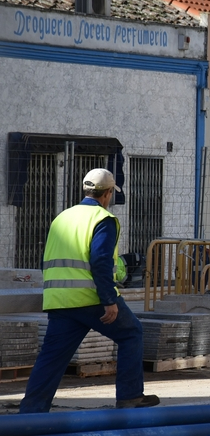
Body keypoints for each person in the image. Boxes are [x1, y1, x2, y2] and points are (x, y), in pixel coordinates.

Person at [19, 168, 158, 412]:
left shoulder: (62, 218)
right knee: (131, 333)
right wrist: (109, 299)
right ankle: (130, 397)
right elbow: (100, 261)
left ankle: (31, 413)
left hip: (59, 300)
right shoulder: (103, 219)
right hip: (90, 298)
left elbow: (48, 260)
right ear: (107, 194)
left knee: (52, 357)